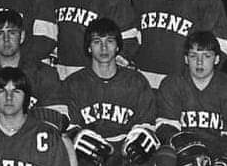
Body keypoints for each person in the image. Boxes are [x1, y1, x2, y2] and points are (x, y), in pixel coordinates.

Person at [59, 18, 165, 166]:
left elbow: (146, 124)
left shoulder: (136, 82)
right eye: (97, 41)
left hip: (127, 157)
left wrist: (141, 137)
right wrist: (77, 137)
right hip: (88, 159)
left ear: (117, 47)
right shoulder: (74, 83)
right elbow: (68, 128)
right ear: (89, 47)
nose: (103, 48)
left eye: (109, 41)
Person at [155, 31, 227, 164]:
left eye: (207, 56)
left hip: (218, 155)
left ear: (217, 59)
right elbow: (165, 128)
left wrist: (220, 157)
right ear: (186, 59)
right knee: (164, 157)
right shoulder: (172, 84)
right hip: (184, 154)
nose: (199, 62)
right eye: (193, 56)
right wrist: (188, 149)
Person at [0, 10, 65, 127]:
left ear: (22, 36)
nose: (6, 39)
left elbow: (56, 123)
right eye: (0, 33)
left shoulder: (44, 75)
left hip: (32, 142)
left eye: (12, 32)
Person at [0, 68, 76, 166]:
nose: (9, 97)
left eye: (16, 91)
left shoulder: (47, 135)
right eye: (2, 91)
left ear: (26, 97)